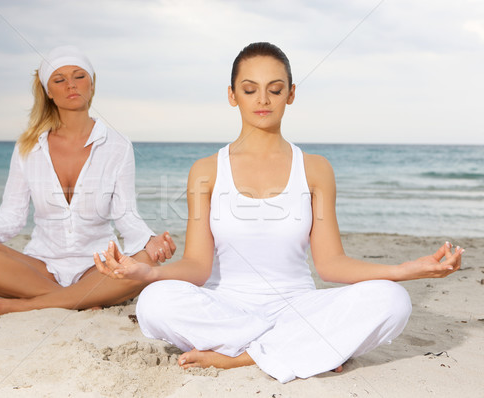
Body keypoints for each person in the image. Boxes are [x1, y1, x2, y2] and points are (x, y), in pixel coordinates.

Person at [93, 42, 463, 383]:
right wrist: (149, 272)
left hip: (297, 305)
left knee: (393, 300)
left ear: (291, 93)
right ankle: (300, 348)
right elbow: (197, 267)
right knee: (155, 302)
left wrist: (402, 271)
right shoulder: (206, 171)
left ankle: (243, 357)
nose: (263, 99)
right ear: (232, 95)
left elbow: (331, 264)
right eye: (249, 89)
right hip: (227, 309)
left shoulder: (315, 169)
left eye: (275, 88)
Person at [0, 45, 175, 316]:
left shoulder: (117, 145)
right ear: (48, 91)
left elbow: (125, 214)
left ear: (92, 84)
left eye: (79, 76)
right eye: (59, 80)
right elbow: (12, 216)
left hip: (98, 268)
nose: (71, 84)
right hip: (41, 268)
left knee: (147, 259)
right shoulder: (29, 146)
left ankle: (34, 303)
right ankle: (78, 299)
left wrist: (148, 239)